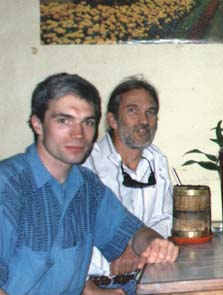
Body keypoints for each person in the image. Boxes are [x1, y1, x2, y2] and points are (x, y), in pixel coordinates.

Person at [0, 73, 179, 295]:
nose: (78, 134)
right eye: (64, 120)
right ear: (37, 124)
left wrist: (153, 243)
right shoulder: (8, 186)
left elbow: (132, 232)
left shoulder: (86, 186)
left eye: (88, 122)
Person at [82, 75, 173, 293]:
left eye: (150, 112)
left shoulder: (156, 160)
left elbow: (163, 219)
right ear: (112, 120)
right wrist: (119, 251)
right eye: (133, 110)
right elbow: (77, 232)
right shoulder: (86, 162)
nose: (144, 120)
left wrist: (140, 248)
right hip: (92, 285)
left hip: (143, 279)